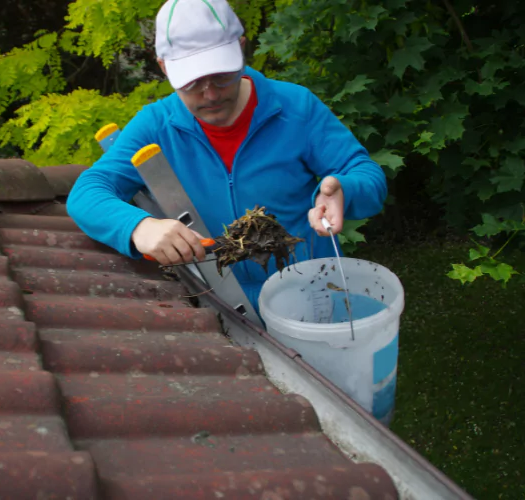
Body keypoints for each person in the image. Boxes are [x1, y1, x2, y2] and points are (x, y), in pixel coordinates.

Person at [67, 0, 387, 312]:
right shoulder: (155, 127)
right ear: (164, 67)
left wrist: (345, 189)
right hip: (221, 302)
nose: (210, 94)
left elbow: (365, 174)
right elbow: (88, 191)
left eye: (221, 75)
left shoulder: (295, 108)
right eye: (192, 82)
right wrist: (139, 227)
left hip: (311, 290)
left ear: (241, 49)